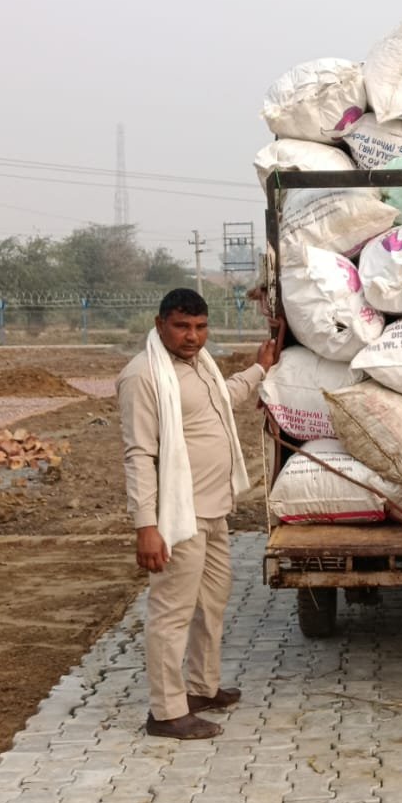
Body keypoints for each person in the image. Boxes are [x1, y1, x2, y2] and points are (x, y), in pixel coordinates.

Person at [116, 288, 280, 740]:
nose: (192, 336)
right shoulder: (145, 376)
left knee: (211, 603)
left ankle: (200, 689)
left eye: (200, 327)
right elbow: (138, 455)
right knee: (171, 612)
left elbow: (222, 400)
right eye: (182, 326)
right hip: (177, 516)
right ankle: (166, 713)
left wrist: (260, 369)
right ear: (159, 324)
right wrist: (146, 527)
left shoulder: (199, 366)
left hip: (215, 510)